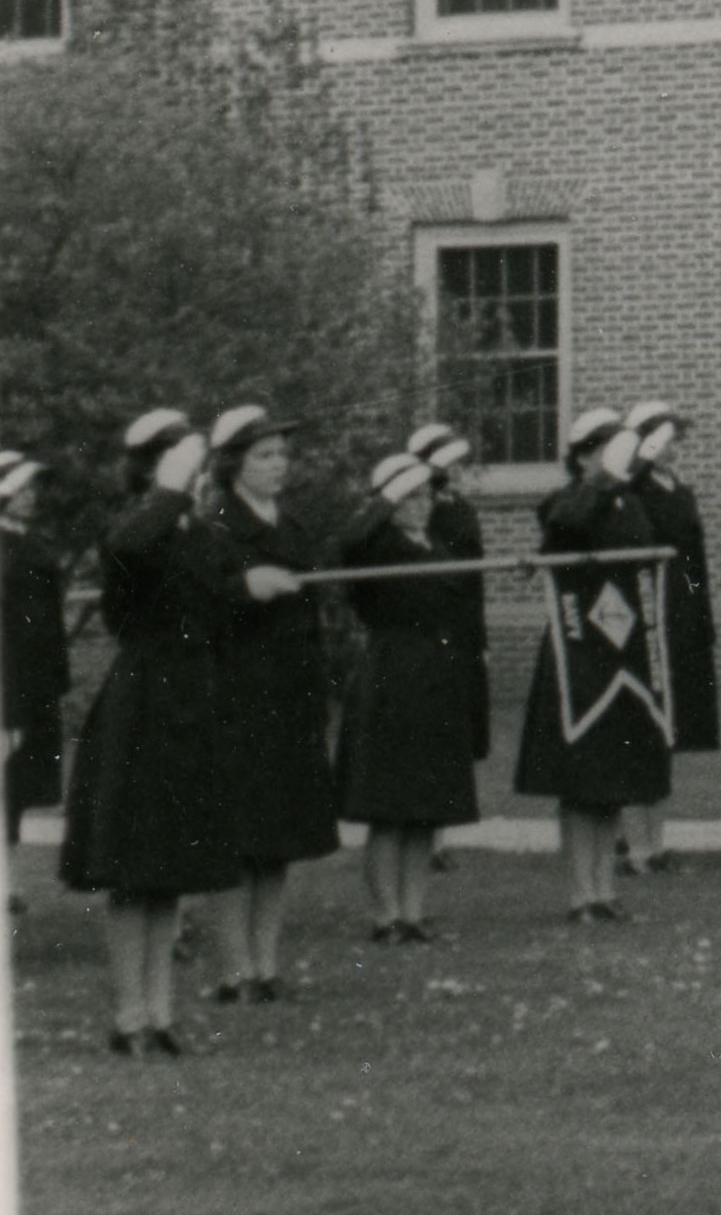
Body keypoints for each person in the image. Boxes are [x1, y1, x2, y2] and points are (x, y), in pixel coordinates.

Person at [63, 412, 232, 1053]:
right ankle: (128, 1016)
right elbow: (130, 550)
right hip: (143, 703)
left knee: (169, 872)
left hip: (190, 700)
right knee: (134, 873)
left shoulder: (193, 532)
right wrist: (170, 488)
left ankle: (160, 1012)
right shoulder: (138, 526)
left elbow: (216, 596)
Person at [192, 406, 334, 999]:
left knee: (278, 842)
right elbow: (195, 607)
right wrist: (245, 591)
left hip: (291, 701)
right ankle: (233, 970)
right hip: (236, 702)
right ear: (232, 466)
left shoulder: (294, 529)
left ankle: (266, 965)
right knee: (236, 841)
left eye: (283, 455)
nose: (280, 466)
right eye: (265, 456)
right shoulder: (213, 526)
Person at [518, 406, 678, 923]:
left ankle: (604, 889)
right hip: (578, 651)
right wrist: (604, 479)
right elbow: (564, 523)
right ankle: (579, 892)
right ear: (584, 454)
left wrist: (623, 482)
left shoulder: (630, 503)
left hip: (623, 651)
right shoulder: (567, 501)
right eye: (606, 449)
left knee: (612, 782)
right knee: (580, 781)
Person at [333, 448, 485, 943]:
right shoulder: (378, 547)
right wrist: (386, 496)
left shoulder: (437, 545)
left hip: (438, 678)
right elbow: (349, 541)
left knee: (426, 805)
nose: (421, 504)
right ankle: (386, 915)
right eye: (409, 495)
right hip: (392, 676)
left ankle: (414, 912)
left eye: (425, 494)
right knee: (389, 807)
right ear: (391, 500)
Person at [623, 403, 716, 876]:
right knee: (641, 727)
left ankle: (655, 841)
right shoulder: (632, 488)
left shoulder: (680, 491)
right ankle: (633, 840)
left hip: (680, 611)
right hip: (644, 611)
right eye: (662, 438)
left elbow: (695, 561)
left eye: (675, 439)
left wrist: (700, 617)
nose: (671, 448)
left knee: (667, 731)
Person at [2, 448, 68, 846]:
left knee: (19, 788)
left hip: (36, 682)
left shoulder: (33, 543)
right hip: (8, 681)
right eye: (22, 487)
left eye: (34, 488)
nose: (31, 495)